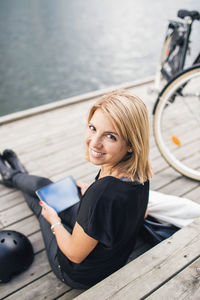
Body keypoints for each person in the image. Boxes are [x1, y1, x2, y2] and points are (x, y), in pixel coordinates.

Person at [0, 89, 152, 289]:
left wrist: (54, 221)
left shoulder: (101, 194)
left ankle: (14, 177)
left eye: (111, 137)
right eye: (92, 128)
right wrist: (93, 197)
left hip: (80, 274)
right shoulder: (139, 173)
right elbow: (142, 211)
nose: (94, 142)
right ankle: (17, 176)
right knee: (44, 186)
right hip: (111, 254)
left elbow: (75, 254)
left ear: (132, 144)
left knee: (43, 206)